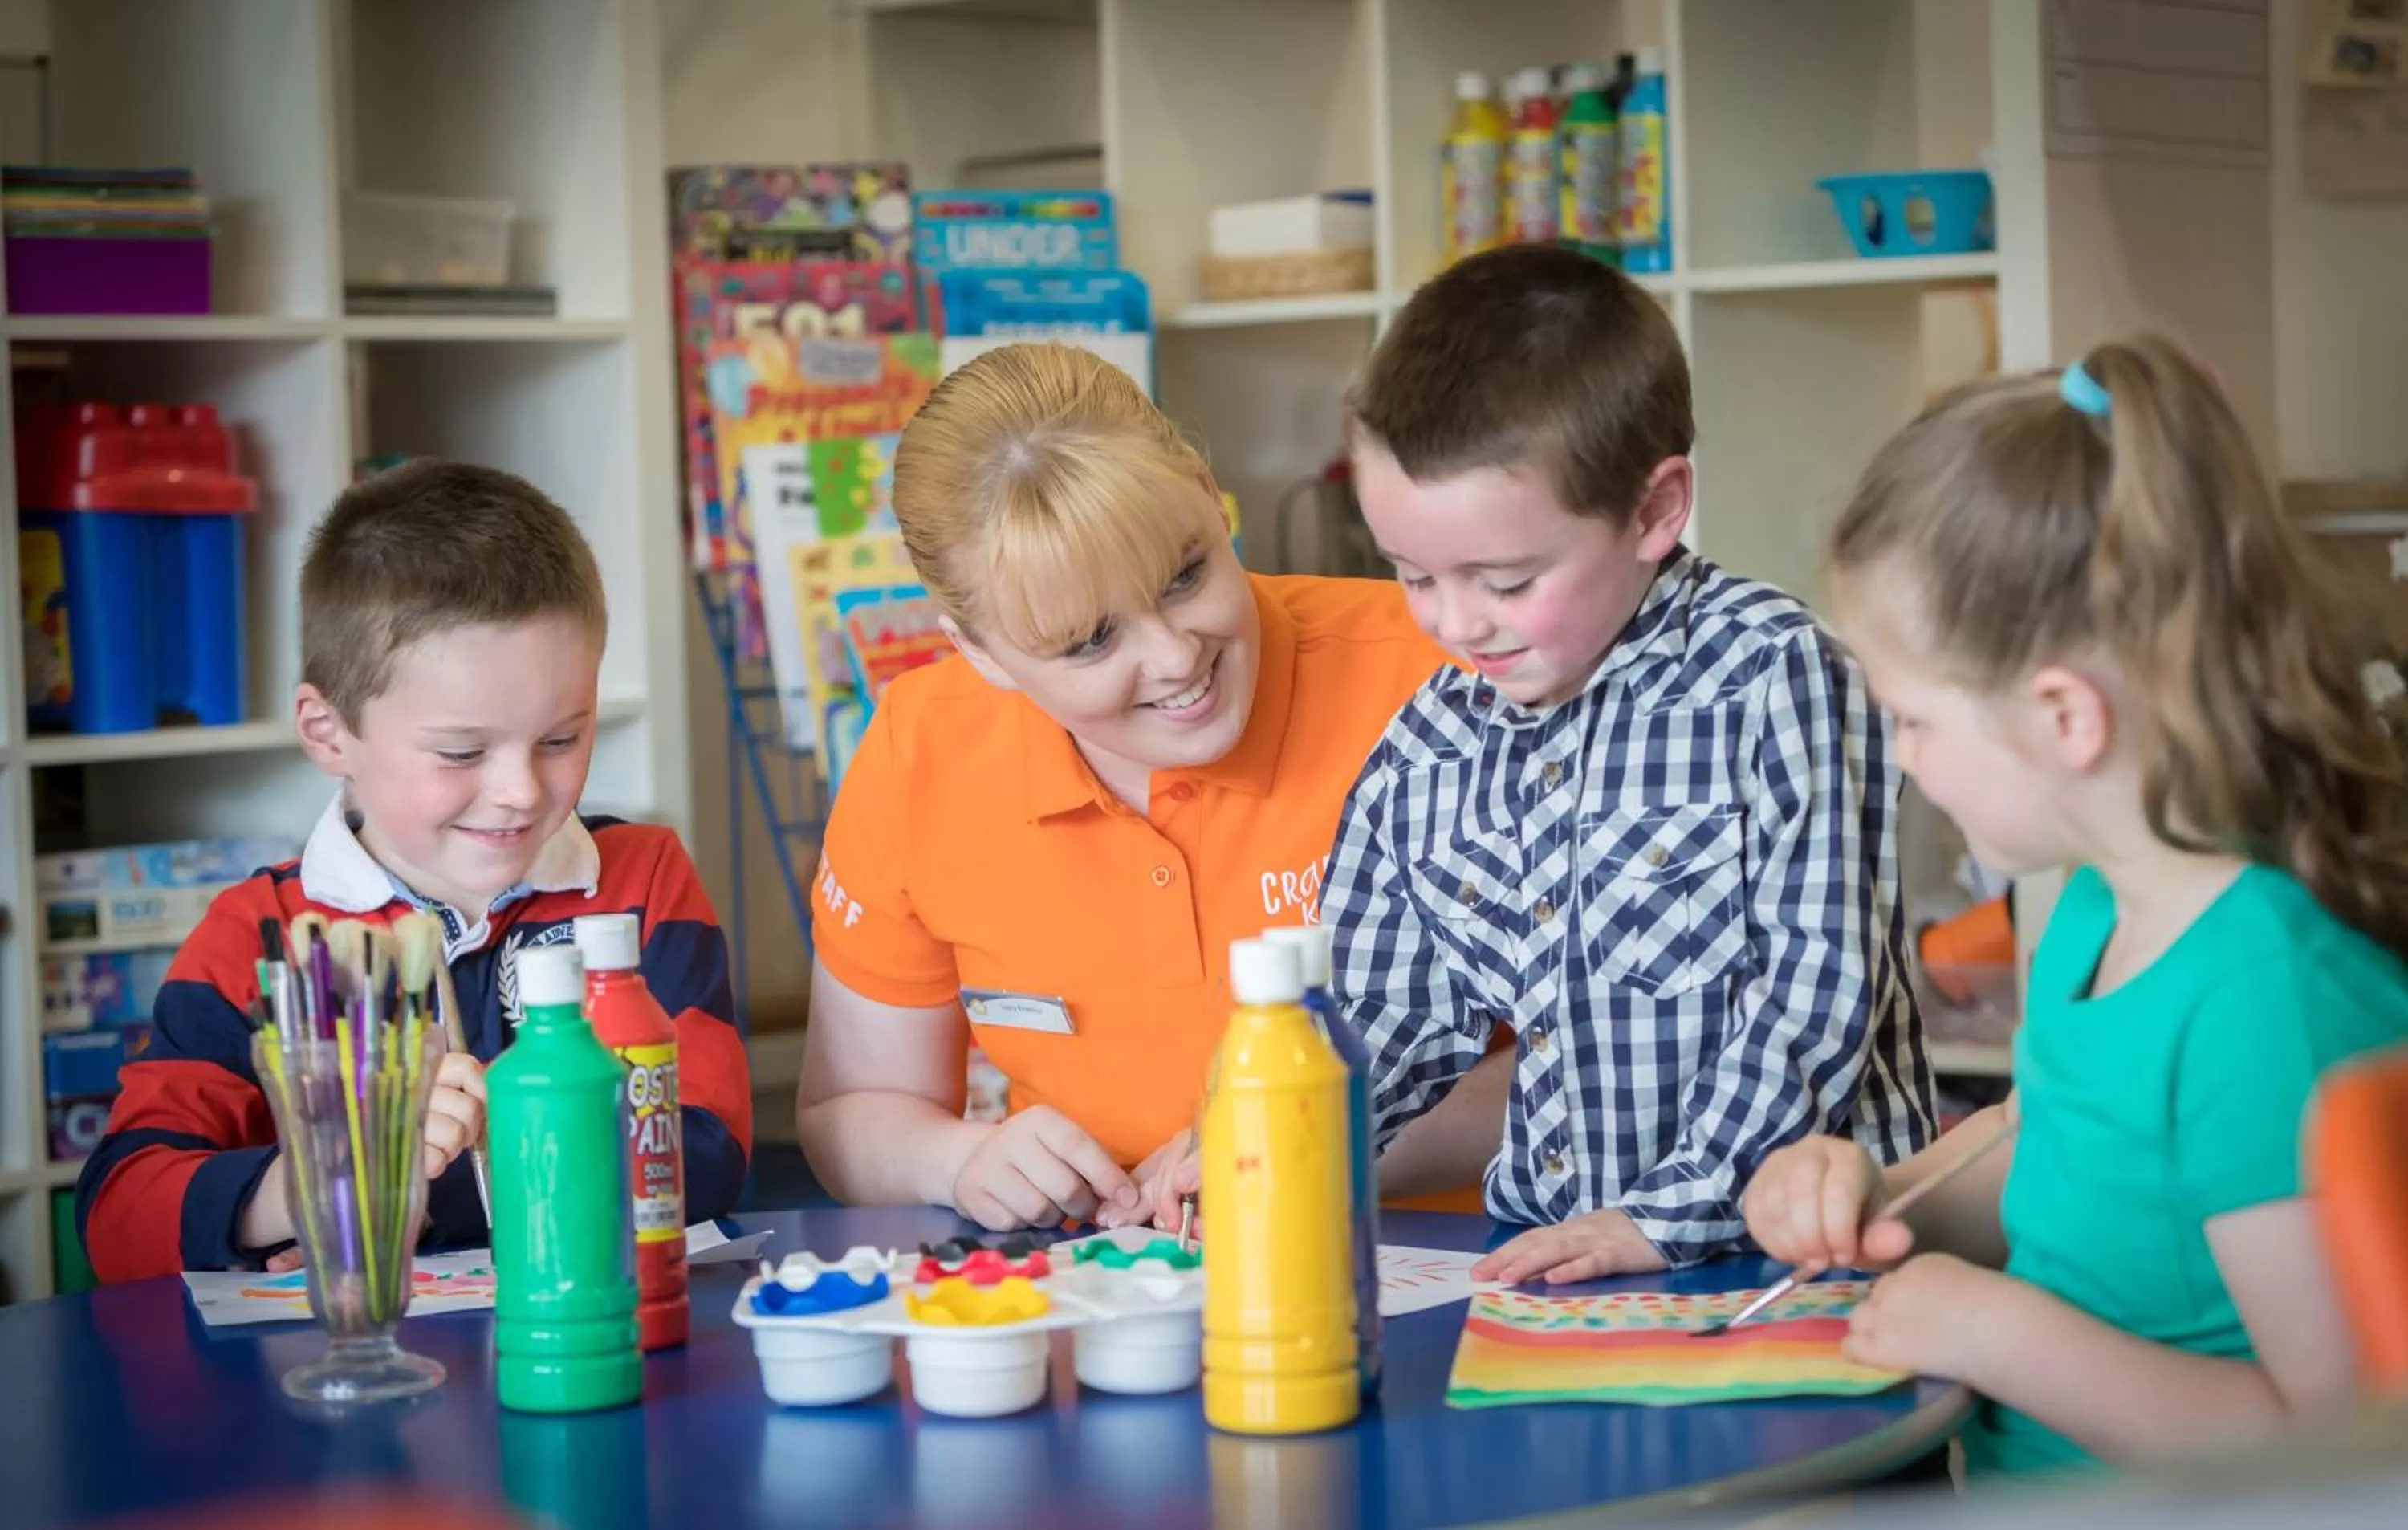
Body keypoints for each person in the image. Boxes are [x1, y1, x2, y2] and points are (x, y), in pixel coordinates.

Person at [1741, 335, 2406, 1477]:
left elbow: (2340, 1445)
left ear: (2063, 715)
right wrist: (1883, 1199)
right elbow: (2066, 1155)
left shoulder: (2263, 1002)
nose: (1903, 763)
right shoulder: (2099, 910)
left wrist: (1995, 1330)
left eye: (1913, 720)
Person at [1320, 243, 1934, 1282]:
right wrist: (1260, 1137)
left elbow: (1817, 991)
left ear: (1654, 510)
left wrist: (1669, 1212)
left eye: (1506, 580)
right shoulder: (1427, 743)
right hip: (1561, 1259)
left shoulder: (1770, 676)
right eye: (1413, 575)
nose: (1456, 621)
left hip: (1793, 1256)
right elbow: (1374, 1013)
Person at [795, 342, 1462, 1231]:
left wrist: (1288, 1145)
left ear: (1201, 481)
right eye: (1090, 642)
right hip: (1113, 1295)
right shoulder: (920, 747)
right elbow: (848, 1111)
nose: (1176, 656)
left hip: (1451, 1269)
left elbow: (1592, 1063)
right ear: (982, 654)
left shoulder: (1436, 678)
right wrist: (959, 1161)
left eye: (1186, 574)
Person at [77, 461, 753, 1281]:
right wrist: (318, 1183)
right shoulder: (256, 937)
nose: (520, 791)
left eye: (562, 738)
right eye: (462, 751)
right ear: (328, 734)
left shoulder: (640, 878)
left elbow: (709, 1152)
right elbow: (117, 1215)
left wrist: (513, 1125)